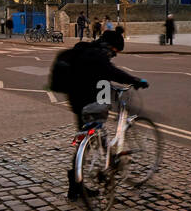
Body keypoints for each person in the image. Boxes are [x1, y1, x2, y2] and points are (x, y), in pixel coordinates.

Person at [53, 29, 148, 200]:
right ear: (111, 47)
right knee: (93, 131)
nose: (114, 55)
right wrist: (135, 80)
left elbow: (99, 78)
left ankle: (76, 185)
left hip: (76, 100)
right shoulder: (98, 55)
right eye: (115, 52)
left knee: (86, 137)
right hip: (88, 100)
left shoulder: (86, 50)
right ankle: (84, 178)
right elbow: (112, 72)